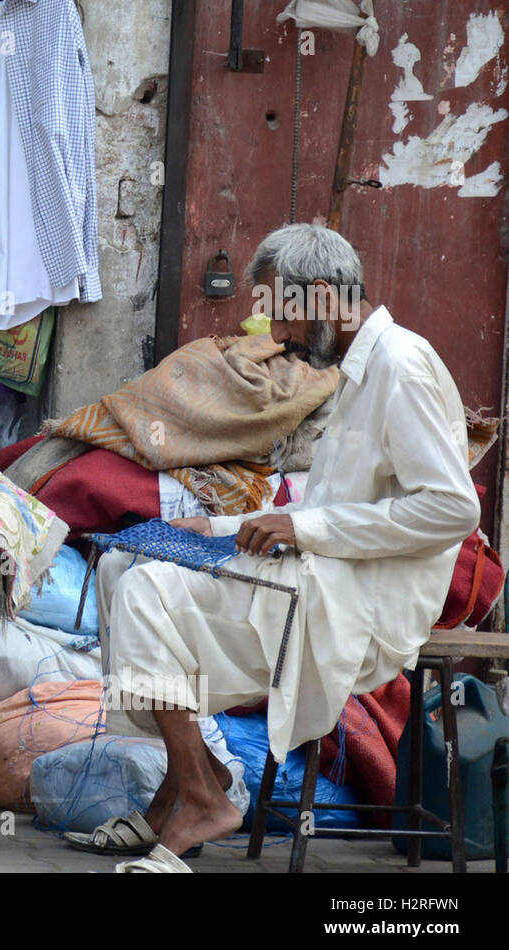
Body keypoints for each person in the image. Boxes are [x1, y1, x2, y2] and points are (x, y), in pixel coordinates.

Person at [69, 224, 480, 872]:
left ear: (319, 295)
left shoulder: (399, 366)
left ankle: (203, 798)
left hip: (368, 602)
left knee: (151, 592)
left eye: (281, 317)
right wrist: (225, 529)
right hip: (326, 575)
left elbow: (453, 509)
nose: (279, 337)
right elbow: (321, 509)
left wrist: (304, 531)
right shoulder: (355, 372)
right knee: (125, 566)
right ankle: (186, 785)